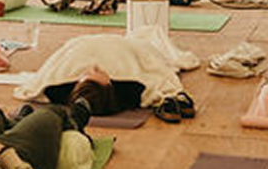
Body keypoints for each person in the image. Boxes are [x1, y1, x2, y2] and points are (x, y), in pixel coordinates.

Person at [13, 26, 198, 122]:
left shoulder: (56, 89)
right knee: (152, 33)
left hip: (91, 45)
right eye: (99, 72)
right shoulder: (130, 89)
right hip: (122, 47)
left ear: (77, 83)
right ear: (109, 84)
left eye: (87, 73)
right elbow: (155, 77)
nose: (94, 66)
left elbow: (39, 82)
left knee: (148, 32)